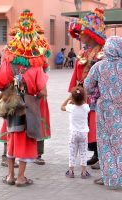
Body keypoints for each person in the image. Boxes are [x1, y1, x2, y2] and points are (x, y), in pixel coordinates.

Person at [0, 9, 51, 187]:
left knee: (12, 137)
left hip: (12, 106)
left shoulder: (8, 63)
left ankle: (10, 175)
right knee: (26, 139)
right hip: (29, 107)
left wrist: (9, 88)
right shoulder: (37, 66)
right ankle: (21, 178)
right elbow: (43, 92)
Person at [67, 8, 106, 169]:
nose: (79, 36)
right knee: (85, 124)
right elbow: (76, 74)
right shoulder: (83, 51)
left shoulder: (103, 52)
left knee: (98, 124)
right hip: (84, 95)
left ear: (90, 33)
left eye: (81, 33)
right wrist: (73, 91)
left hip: (99, 95)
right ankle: (95, 153)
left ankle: (101, 154)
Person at [84, 36, 122, 187]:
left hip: (105, 111)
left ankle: (110, 178)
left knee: (106, 143)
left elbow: (87, 87)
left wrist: (98, 92)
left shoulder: (99, 66)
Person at [61, 86, 91, 179]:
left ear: (72, 98)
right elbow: (85, 104)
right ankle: (84, 172)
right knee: (83, 153)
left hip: (73, 133)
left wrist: (68, 99)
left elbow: (62, 107)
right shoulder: (86, 107)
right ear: (83, 98)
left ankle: (71, 172)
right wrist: (82, 99)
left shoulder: (71, 107)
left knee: (72, 153)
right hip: (84, 133)